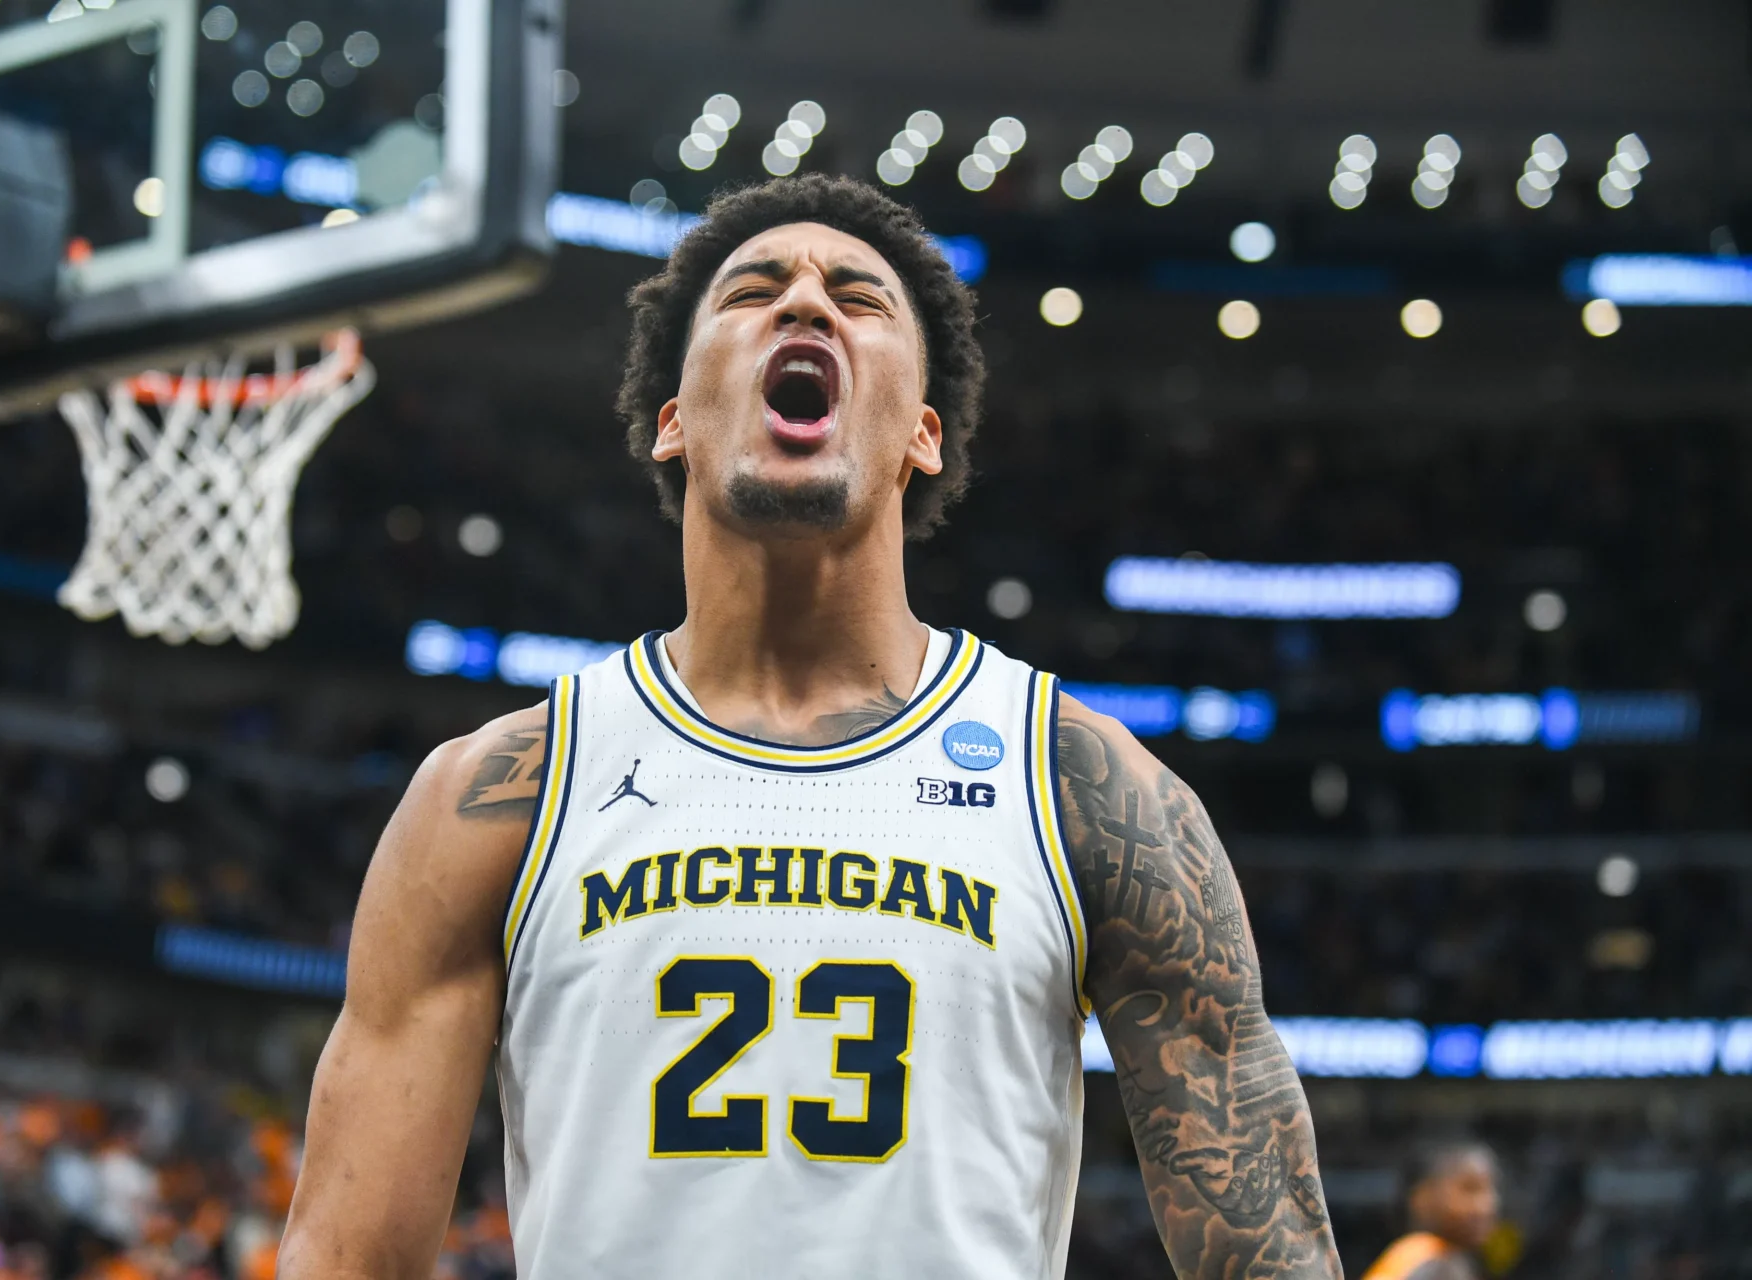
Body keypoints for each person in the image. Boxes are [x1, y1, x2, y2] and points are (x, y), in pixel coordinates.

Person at [279, 174, 1342, 1279]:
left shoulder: (1085, 784)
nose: (804, 303)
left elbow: (1273, 1256)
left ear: (923, 435)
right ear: (672, 422)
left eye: (858, 297)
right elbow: (348, 1259)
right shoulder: (498, 792)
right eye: (752, 291)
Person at [1362, 1142, 1501, 1280]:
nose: (1487, 1204)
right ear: (1423, 1197)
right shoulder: (1432, 1263)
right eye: (1469, 1189)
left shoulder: (1407, 1257)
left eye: (1491, 1189)